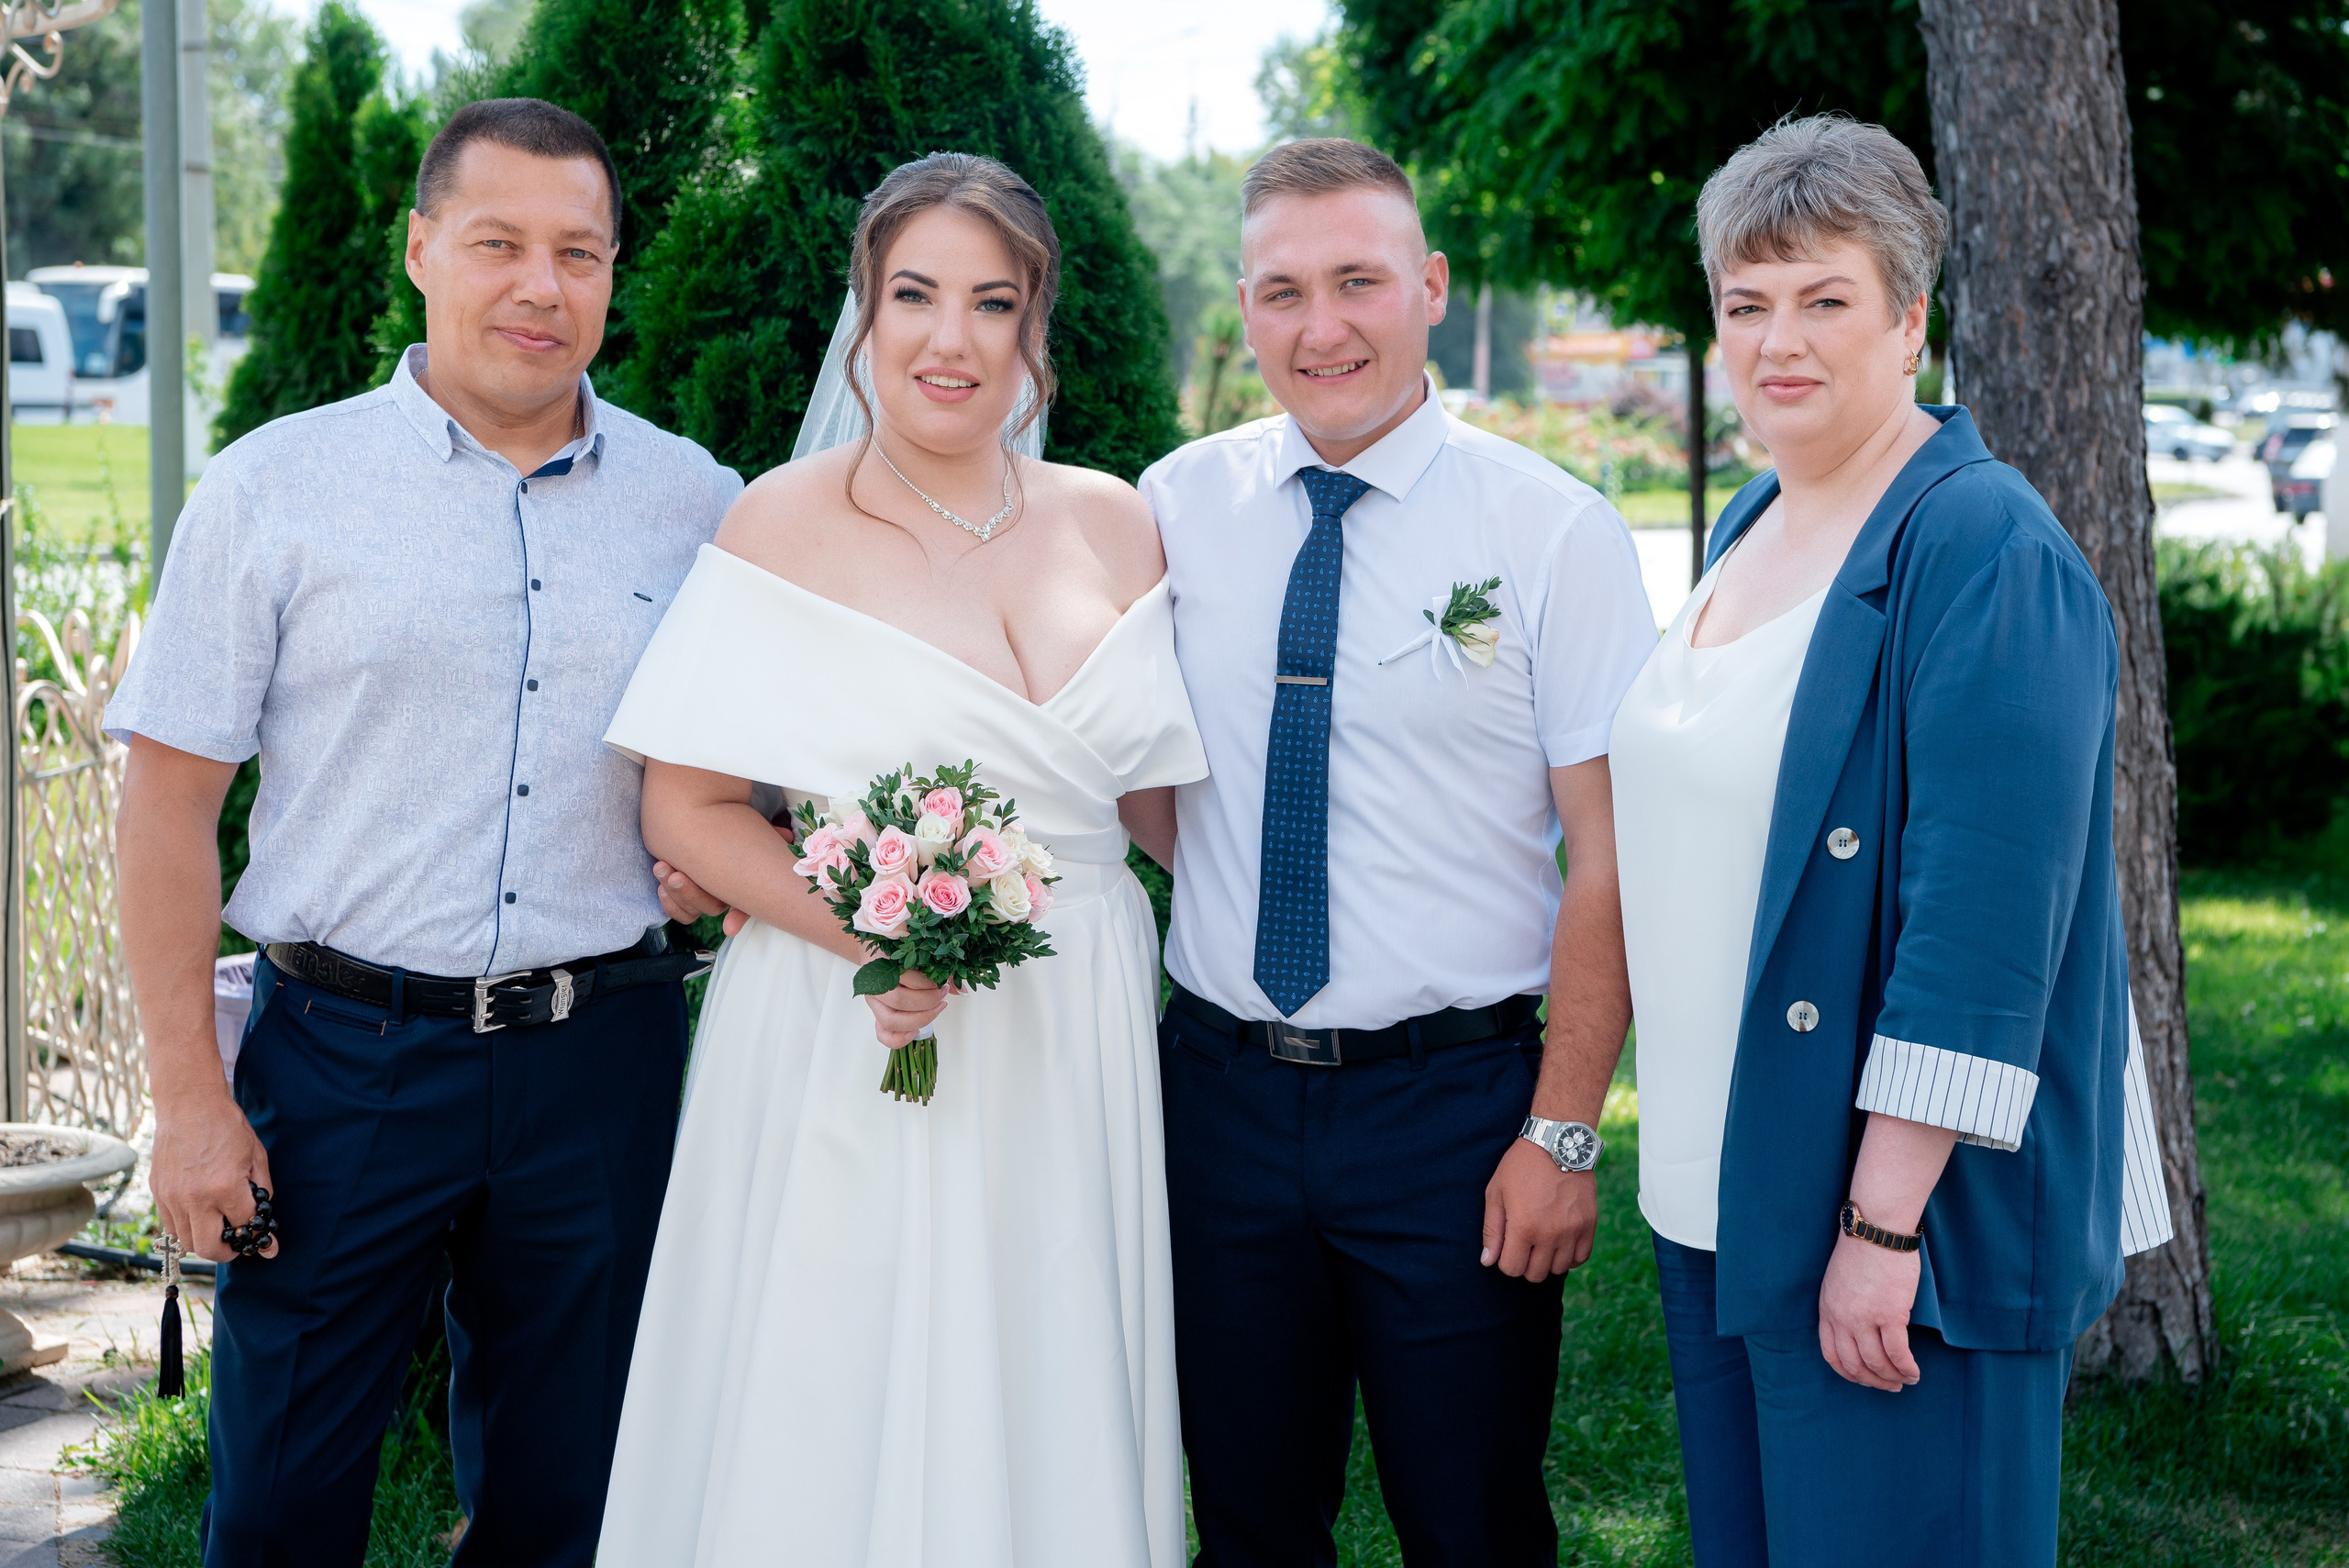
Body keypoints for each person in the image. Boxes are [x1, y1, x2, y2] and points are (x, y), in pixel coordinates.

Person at [108, 99, 743, 1566]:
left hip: (604, 1058)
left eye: (579, 252)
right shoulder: (278, 486)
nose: (542, 284)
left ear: (611, 272)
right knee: (278, 1505)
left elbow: (734, 774)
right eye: (499, 243)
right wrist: (192, 1102)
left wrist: (720, 844)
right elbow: (167, 809)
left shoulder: (695, 501)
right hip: (345, 1063)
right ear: (419, 250)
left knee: (569, 1506)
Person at [593, 151, 1204, 1565]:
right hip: (847, 1023)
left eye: (992, 302)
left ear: (1034, 327)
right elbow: (687, 811)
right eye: (913, 294)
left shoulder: (1117, 523)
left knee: (1052, 1356)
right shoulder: (778, 522)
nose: (950, 337)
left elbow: (1165, 814)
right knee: (833, 1372)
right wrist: (871, 939)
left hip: (1074, 1030)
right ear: (861, 316)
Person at [1604, 115, 2174, 1566]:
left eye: (1824, 298)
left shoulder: (1987, 548)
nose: (1777, 340)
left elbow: (1982, 927)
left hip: (1892, 1231)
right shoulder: (1755, 517)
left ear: (1911, 318)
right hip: (1724, 1191)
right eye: (1746, 303)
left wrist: (1883, 1229)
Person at [1138, 139, 1655, 1563]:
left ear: (1428, 286)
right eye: (1283, 291)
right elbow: (1140, 774)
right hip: (1221, 1098)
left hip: (1460, 1111)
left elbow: (1612, 856)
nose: (1323, 328)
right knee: (1245, 1516)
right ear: (1244, 309)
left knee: (1473, 1520)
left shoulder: (1552, 532)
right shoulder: (1169, 509)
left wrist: (1562, 1129)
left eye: (1359, 280)